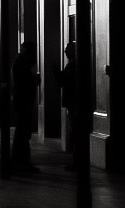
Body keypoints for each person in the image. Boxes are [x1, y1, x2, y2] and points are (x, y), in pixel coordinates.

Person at [11, 40, 41, 172]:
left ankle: (21, 161)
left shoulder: (20, 62)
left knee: (22, 132)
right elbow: (24, 82)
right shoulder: (22, 63)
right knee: (23, 132)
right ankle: (21, 162)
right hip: (22, 101)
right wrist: (34, 80)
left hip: (21, 101)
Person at [55, 41, 78, 170]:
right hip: (72, 102)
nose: (65, 51)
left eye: (67, 49)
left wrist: (56, 72)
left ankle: (77, 160)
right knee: (74, 130)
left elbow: (64, 81)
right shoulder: (72, 64)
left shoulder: (73, 65)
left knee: (76, 131)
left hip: (74, 102)